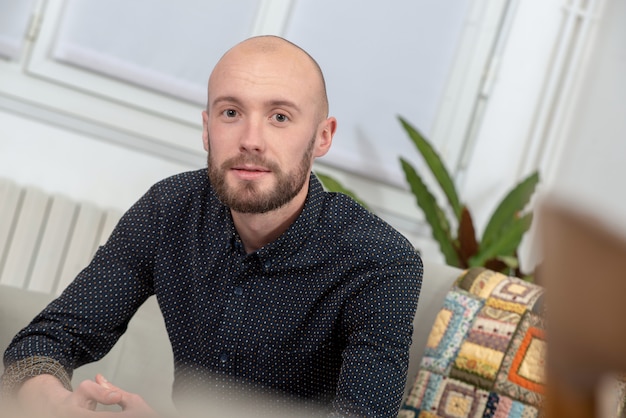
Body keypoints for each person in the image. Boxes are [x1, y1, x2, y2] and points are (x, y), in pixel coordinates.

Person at [1, 35, 422, 417]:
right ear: (207, 129)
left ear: (323, 137)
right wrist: (58, 405)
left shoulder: (382, 264)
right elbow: (42, 343)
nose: (251, 139)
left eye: (279, 116)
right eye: (232, 112)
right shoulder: (167, 210)